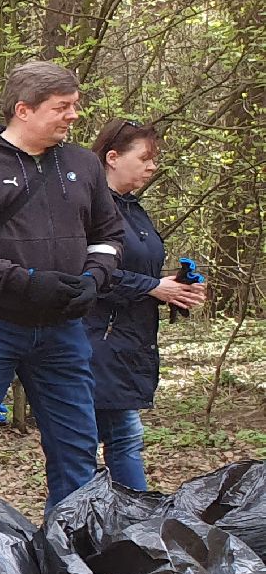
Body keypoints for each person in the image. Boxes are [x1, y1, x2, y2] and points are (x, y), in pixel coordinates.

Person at [0, 60, 125, 507]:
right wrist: (26, 282)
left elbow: (108, 235)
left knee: (76, 443)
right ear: (24, 109)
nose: (74, 116)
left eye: (75, 105)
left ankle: (71, 549)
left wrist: (94, 279)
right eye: (62, 107)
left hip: (63, 329)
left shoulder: (83, 166)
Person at [87, 118, 203, 491]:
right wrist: (153, 287)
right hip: (94, 339)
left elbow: (141, 271)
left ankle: (132, 525)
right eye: (146, 158)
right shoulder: (88, 207)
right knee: (93, 443)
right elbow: (86, 273)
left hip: (131, 341)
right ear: (113, 157)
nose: (153, 166)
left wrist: (177, 289)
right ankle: (83, 529)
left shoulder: (134, 209)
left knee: (122, 439)